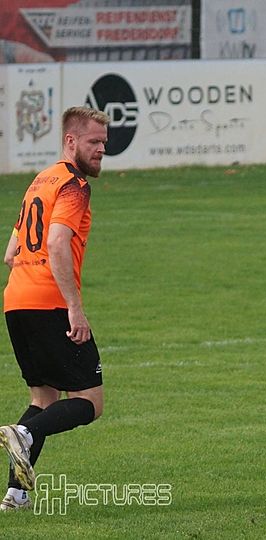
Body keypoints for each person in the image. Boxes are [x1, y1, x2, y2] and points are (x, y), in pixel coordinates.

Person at [0, 106, 108, 511]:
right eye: (94, 142)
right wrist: (74, 308)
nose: (101, 150)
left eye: (104, 143)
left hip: (16, 301)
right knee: (90, 401)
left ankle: (16, 494)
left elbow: (10, 252)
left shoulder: (40, 180)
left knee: (43, 398)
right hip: (50, 303)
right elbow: (58, 241)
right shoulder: (74, 185)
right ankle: (24, 435)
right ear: (70, 141)